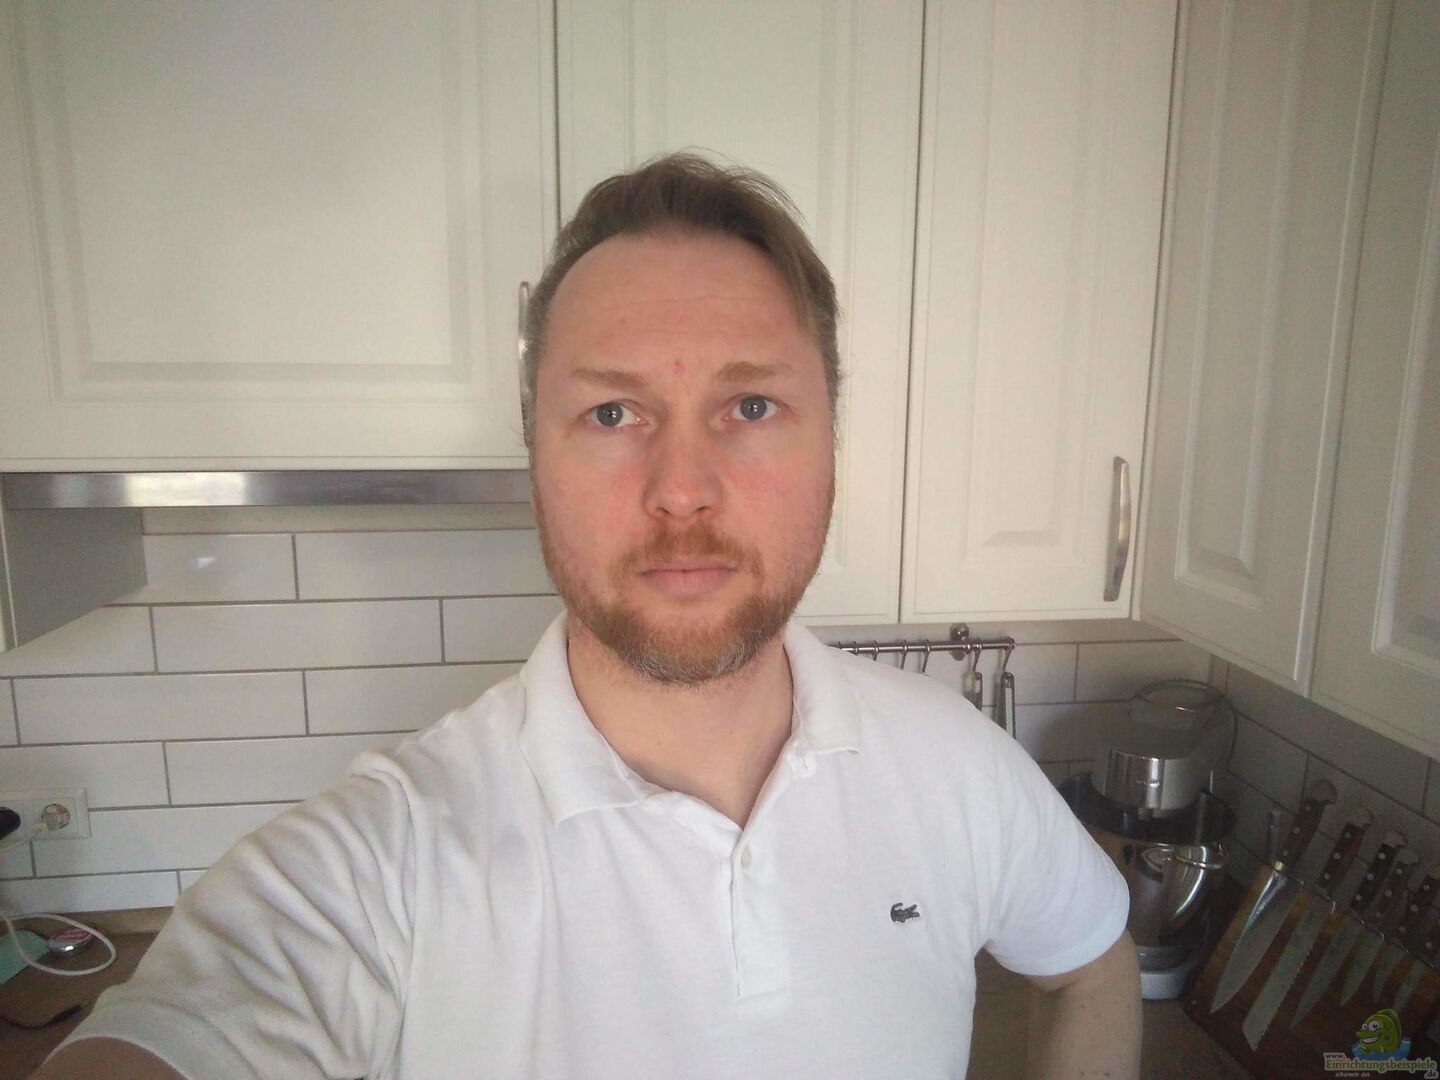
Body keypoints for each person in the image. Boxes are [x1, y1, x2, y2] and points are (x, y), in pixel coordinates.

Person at [36, 153, 1139, 1079]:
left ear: (832, 442)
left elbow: (1091, 966)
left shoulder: (957, 767)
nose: (682, 489)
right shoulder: (390, 860)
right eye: (613, 412)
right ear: (535, 456)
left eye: (752, 405)